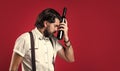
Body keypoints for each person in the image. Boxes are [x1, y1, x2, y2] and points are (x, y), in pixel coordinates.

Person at [9, 8, 75, 71]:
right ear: (46, 24)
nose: (56, 29)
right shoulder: (25, 39)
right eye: (55, 26)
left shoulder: (53, 40)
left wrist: (66, 37)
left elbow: (70, 58)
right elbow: (13, 69)